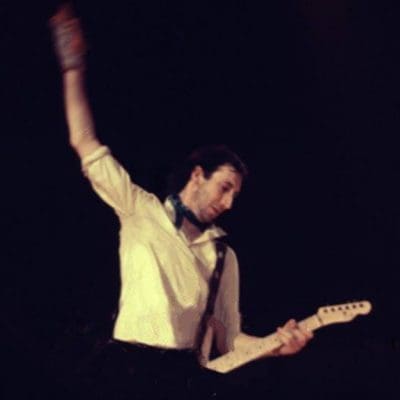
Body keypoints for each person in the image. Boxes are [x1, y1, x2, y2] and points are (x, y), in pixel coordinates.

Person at [49, 3, 313, 399]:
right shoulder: (139, 208)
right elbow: (84, 141)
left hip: (182, 381)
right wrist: (73, 66)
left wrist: (275, 345)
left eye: (235, 195)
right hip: (125, 371)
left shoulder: (223, 256)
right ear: (197, 175)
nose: (229, 203)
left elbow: (229, 340)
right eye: (225, 187)